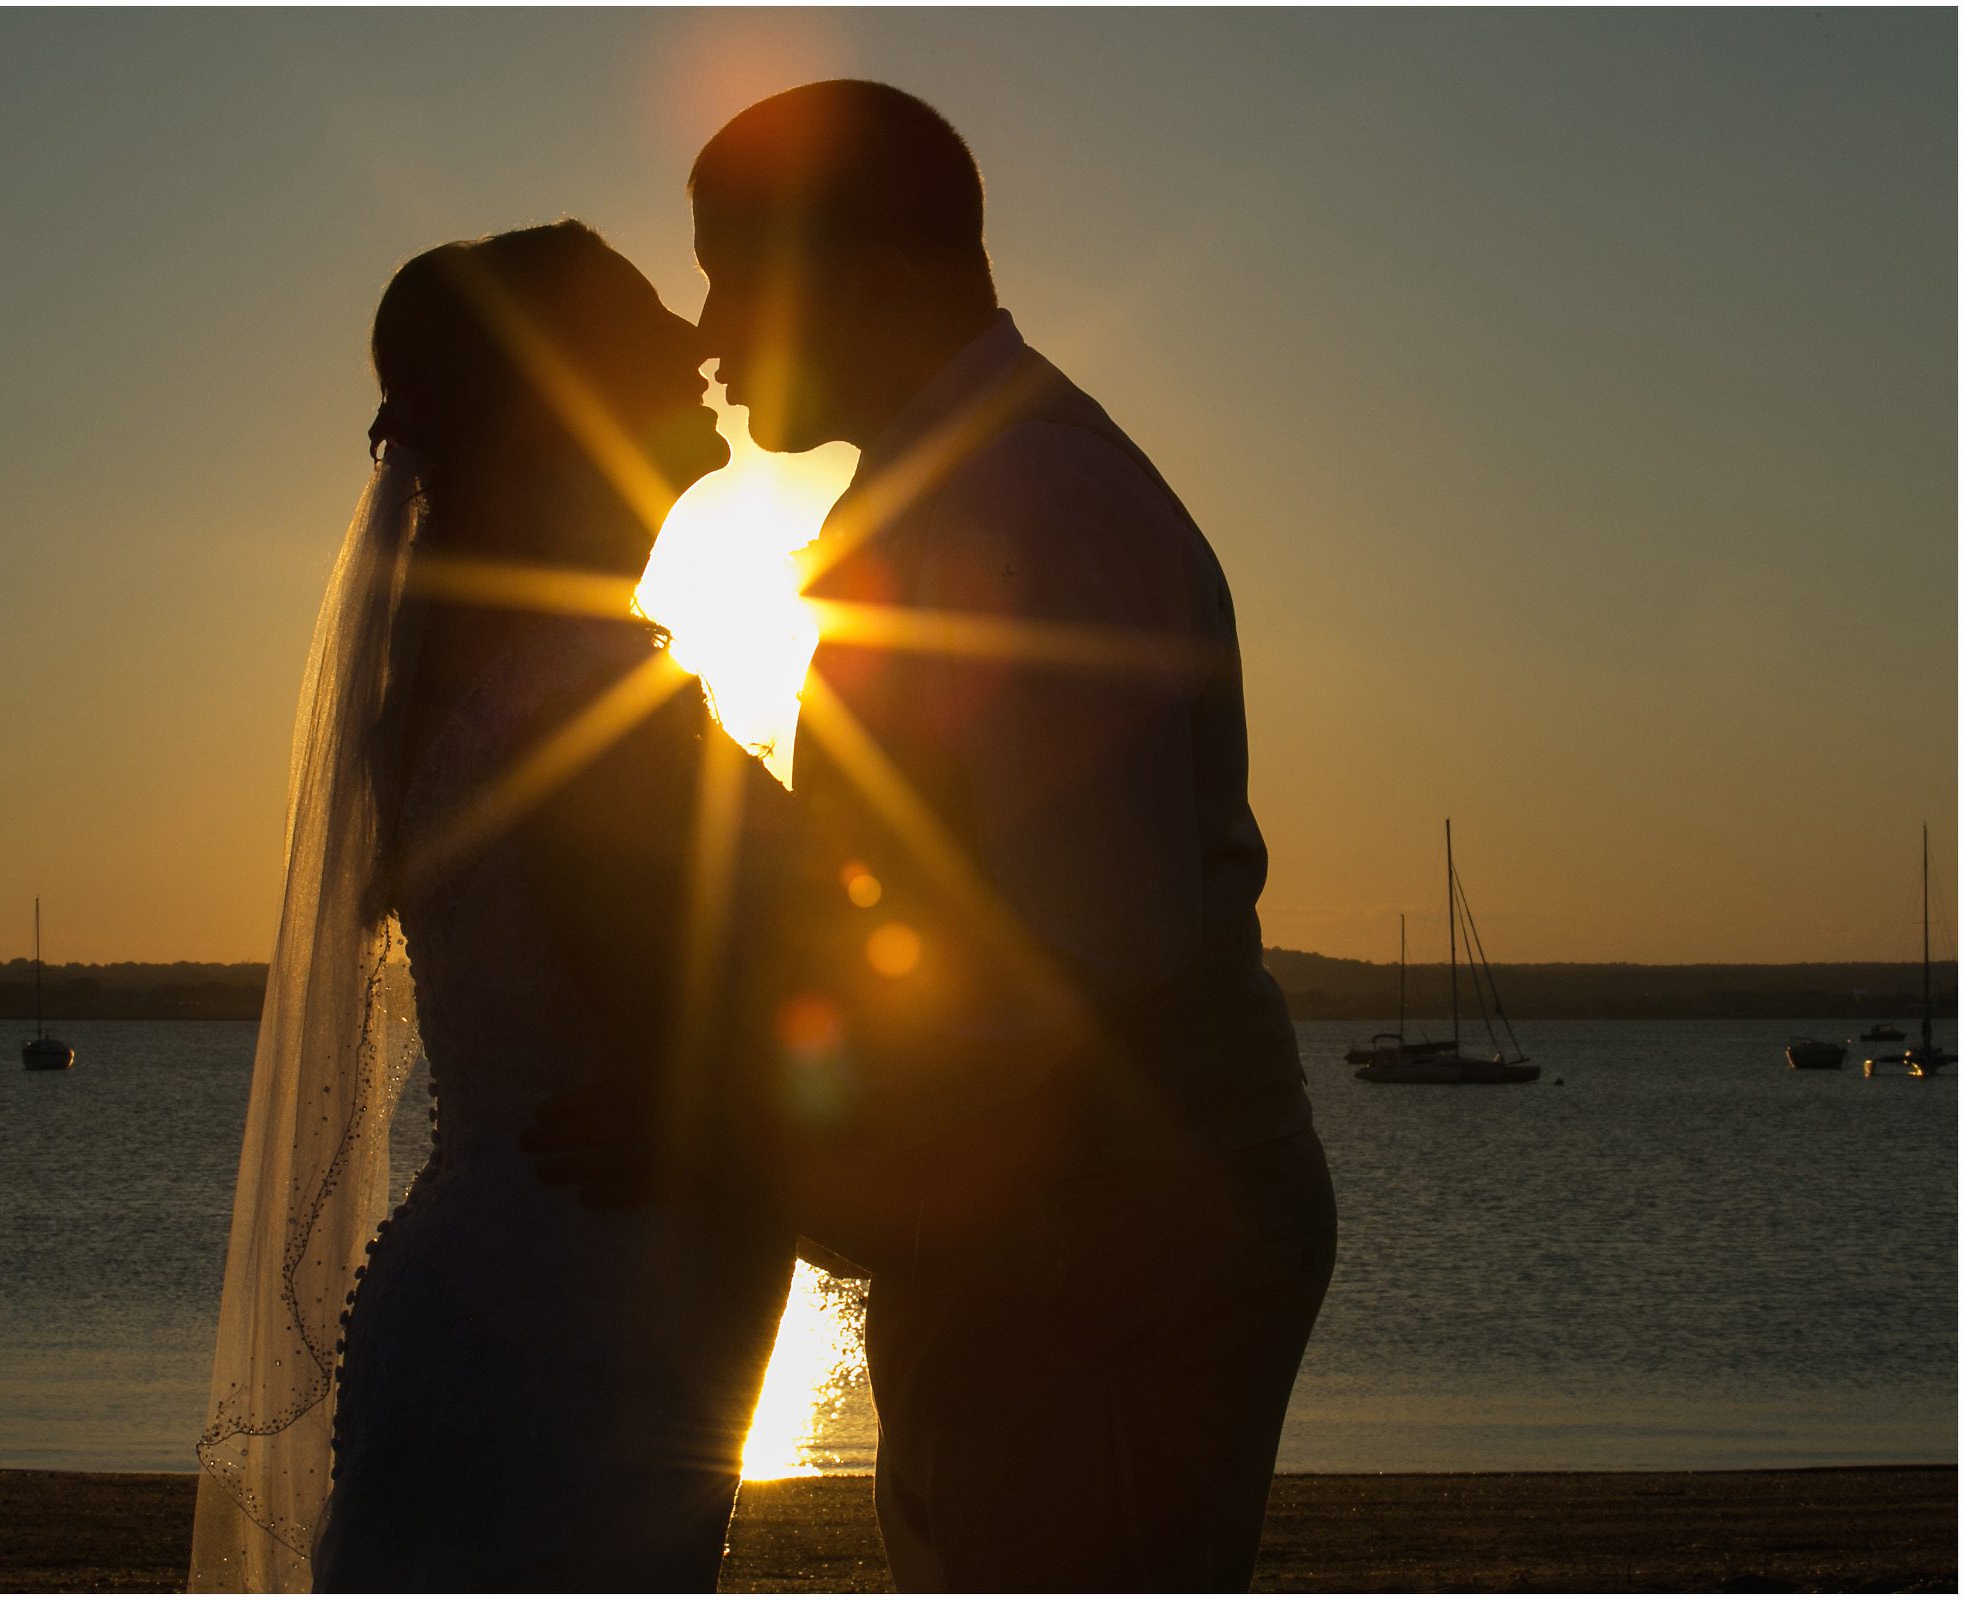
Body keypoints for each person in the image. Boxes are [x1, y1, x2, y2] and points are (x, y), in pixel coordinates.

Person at [547, 80, 1340, 1590]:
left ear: (868, 267)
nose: (709, 332)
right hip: (1039, 1239)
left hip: (1114, 1255)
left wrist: (740, 1132)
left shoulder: (1034, 505)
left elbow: (1077, 957)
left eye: (731, 272)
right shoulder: (953, 490)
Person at [188, 221, 798, 1591]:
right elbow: (689, 1034)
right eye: (646, 321)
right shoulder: (583, 711)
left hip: (531, 1311)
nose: (695, 345)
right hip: (571, 1344)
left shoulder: (505, 681)